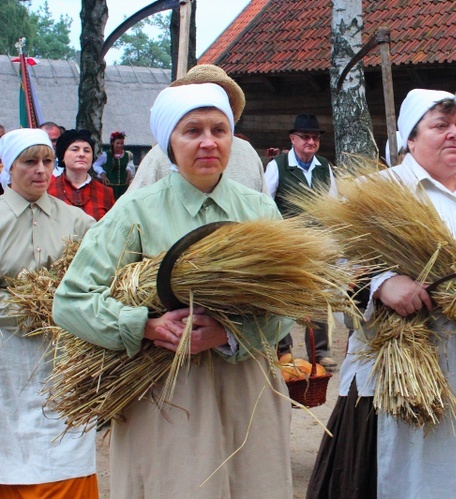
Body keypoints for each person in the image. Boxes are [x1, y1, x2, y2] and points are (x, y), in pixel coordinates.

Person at [52, 78, 295, 497]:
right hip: (166, 397)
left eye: (219, 131)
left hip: (246, 392)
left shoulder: (257, 209)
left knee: (251, 483)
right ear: (169, 142)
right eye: (192, 131)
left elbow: (291, 300)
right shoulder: (137, 209)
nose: (208, 142)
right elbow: (71, 300)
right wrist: (145, 325)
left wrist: (230, 334)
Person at [307, 89, 456, 498]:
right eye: (440, 125)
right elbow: (326, 268)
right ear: (411, 139)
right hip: (408, 377)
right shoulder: (371, 193)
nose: (454, 135)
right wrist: (379, 285)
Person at [0, 128, 97, 497]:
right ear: (9, 167)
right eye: (29, 161)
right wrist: (24, 306)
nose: (41, 170)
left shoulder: (76, 222)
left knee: (64, 440)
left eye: (47, 161)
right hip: (6, 357)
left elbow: (103, 272)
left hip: (61, 354)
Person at [128, 64, 269, 196]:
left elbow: (267, 215)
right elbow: (134, 207)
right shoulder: (161, 153)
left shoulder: (247, 152)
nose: (209, 143)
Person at [265, 113, 337, 370]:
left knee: (318, 297)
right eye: (305, 137)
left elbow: (333, 205)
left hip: (317, 244)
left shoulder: (324, 167)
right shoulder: (278, 166)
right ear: (293, 139)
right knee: (285, 297)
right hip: (288, 243)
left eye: (315, 137)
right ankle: (283, 351)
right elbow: (266, 203)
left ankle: (320, 352)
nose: (311, 142)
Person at [47, 129, 115, 220]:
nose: (82, 154)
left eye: (87, 151)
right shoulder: (47, 189)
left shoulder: (106, 193)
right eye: (75, 150)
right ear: (62, 156)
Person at [93, 131, 134, 200]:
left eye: (122, 143)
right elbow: (96, 165)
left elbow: (130, 165)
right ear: (112, 143)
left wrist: (129, 171)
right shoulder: (106, 155)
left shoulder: (127, 155)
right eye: (117, 143)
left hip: (123, 187)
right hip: (110, 187)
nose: (120, 145)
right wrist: (102, 173)